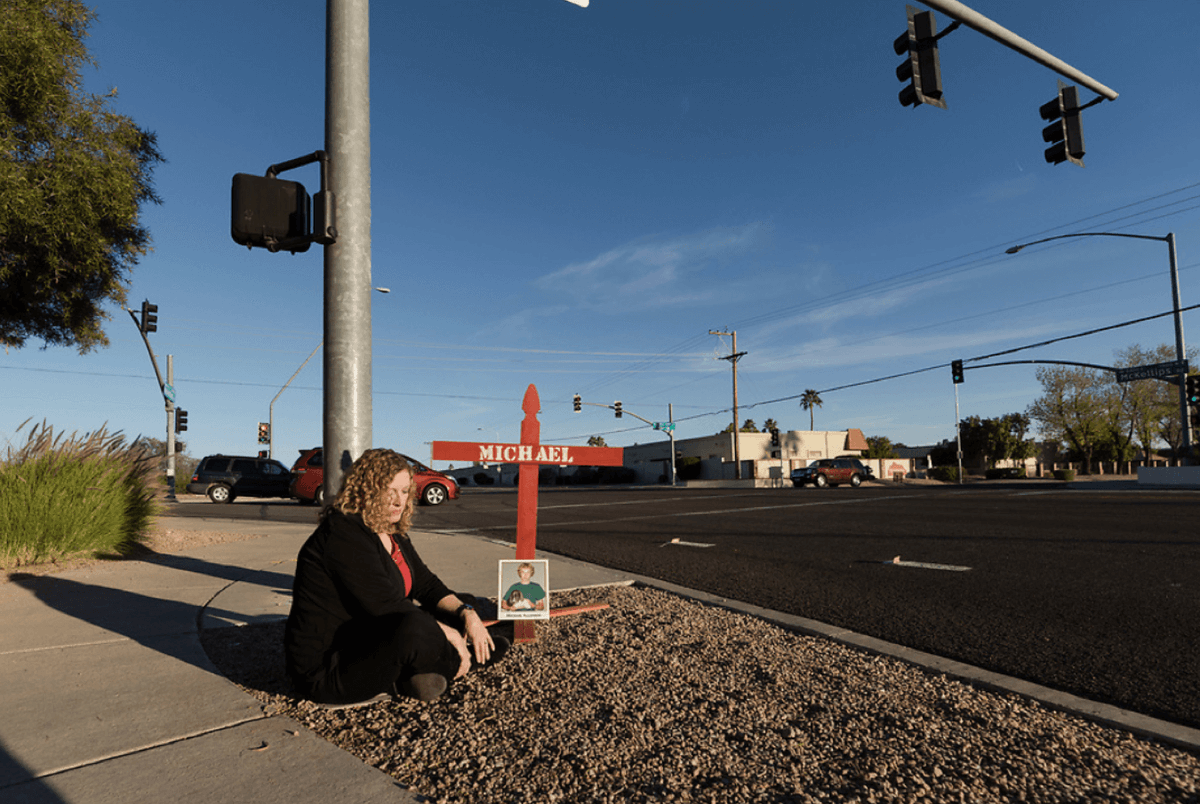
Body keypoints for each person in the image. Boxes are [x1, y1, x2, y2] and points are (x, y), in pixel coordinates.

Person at [285, 448, 506, 705]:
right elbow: (387, 605)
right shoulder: (342, 532)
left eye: (404, 491)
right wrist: (454, 637)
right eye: (389, 491)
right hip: (331, 669)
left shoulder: (391, 532)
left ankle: (413, 675)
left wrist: (467, 613)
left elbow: (426, 585)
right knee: (414, 628)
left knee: (461, 602)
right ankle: (459, 662)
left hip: (367, 639)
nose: (398, 501)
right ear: (365, 490)